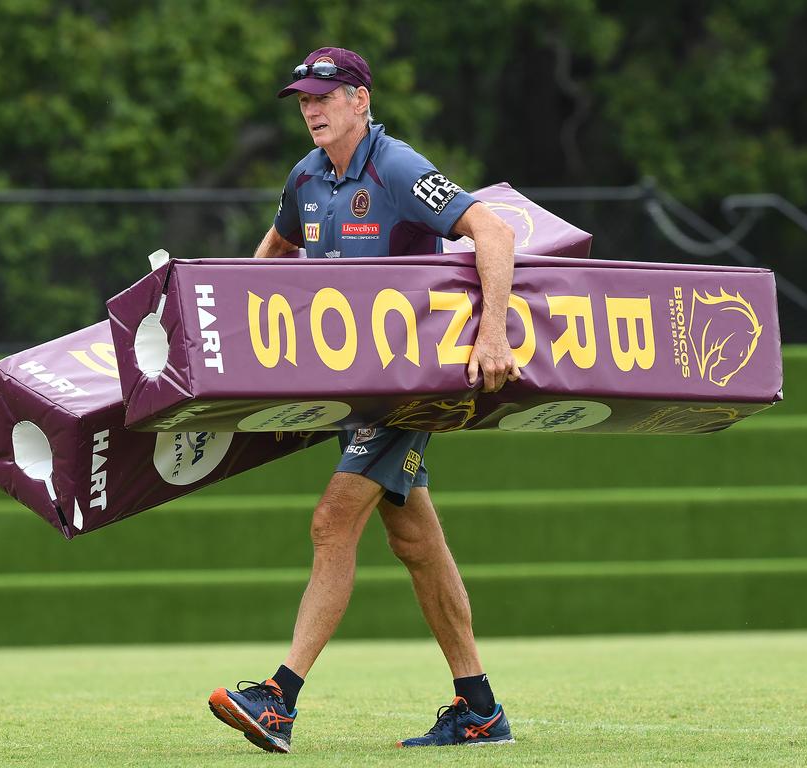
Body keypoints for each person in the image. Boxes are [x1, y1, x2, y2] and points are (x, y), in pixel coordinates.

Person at [208, 47, 518, 753]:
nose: (311, 110)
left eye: (324, 97)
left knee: (332, 520)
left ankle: (279, 699)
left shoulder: (396, 166)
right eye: (303, 100)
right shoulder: (305, 177)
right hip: (357, 391)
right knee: (413, 539)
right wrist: (237, 329)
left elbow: (493, 231)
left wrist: (493, 336)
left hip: (412, 388)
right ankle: (479, 709)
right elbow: (278, 249)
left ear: (360, 101)